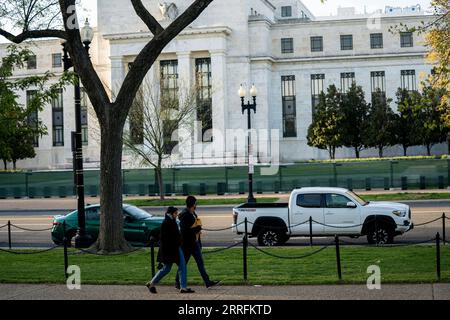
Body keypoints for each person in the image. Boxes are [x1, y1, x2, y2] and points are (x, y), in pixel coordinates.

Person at [146, 207, 194, 294]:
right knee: (181, 266)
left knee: (167, 268)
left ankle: (151, 283)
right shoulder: (168, 223)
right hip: (173, 249)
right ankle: (183, 287)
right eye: (175, 213)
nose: (176, 215)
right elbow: (167, 238)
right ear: (171, 214)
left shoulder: (169, 221)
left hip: (172, 249)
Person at [176, 196, 221, 289]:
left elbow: (195, 228)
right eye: (196, 203)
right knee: (183, 264)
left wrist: (199, 242)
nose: (196, 205)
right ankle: (177, 282)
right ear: (193, 204)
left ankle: (207, 282)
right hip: (187, 245)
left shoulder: (192, 213)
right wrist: (197, 229)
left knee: (200, 263)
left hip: (195, 243)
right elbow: (185, 232)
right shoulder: (185, 215)